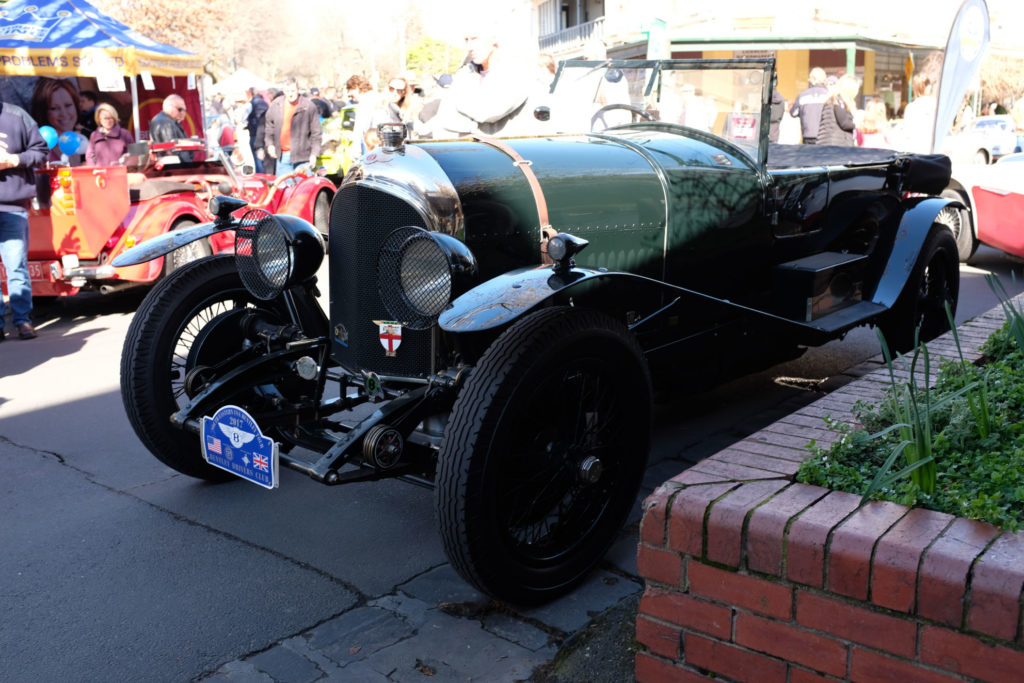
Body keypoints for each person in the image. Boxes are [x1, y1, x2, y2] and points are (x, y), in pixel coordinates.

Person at [0, 99, 49, 340]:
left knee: (16, 266)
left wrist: (14, 160)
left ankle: (22, 321)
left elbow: (41, 151)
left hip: (12, 205)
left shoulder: (17, 116)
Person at [436, 30, 533, 137]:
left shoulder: (517, 71)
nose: (469, 47)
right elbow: (445, 119)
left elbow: (489, 112)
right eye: (466, 40)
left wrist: (458, 102)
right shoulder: (465, 73)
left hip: (508, 150)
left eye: (474, 39)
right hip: (472, 150)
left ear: (493, 40)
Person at [264, 78, 321, 175]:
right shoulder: (276, 105)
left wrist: (314, 154)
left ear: (298, 89)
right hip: (282, 157)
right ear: (283, 91)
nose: (290, 94)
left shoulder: (308, 106)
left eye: (293, 91)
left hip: (303, 157)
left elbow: (316, 133)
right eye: (288, 91)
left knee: (302, 189)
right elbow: (269, 127)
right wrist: (269, 144)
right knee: (283, 188)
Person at [31, 77, 82, 162]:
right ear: (43, 112)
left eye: (68, 105)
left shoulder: (85, 142)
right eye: (54, 108)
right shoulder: (39, 150)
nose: (64, 113)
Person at [789, 67, 830, 144]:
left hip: (807, 135)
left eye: (810, 78)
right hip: (824, 136)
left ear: (813, 79)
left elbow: (793, 113)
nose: (808, 80)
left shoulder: (802, 95)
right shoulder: (829, 95)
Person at [148, 94, 193, 162]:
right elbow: (171, 149)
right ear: (169, 107)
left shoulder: (168, 121)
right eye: (179, 109)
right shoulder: (165, 123)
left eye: (184, 110)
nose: (183, 113)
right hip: (177, 167)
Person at [817, 74, 859, 146]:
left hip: (827, 142)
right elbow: (845, 123)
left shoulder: (833, 100)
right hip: (836, 143)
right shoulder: (839, 102)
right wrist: (858, 124)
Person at [900, 73, 937, 153]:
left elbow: (907, 133)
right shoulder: (936, 104)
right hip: (933, 150)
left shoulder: (910, 107)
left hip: (915, 150)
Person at [245, 87, 268, 173]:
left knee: (257, 160)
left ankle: (260, 178)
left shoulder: (251, 103)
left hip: (254, 134)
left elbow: (242, 118)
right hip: (264, 134)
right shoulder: (265, 103)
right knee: (263, 160)